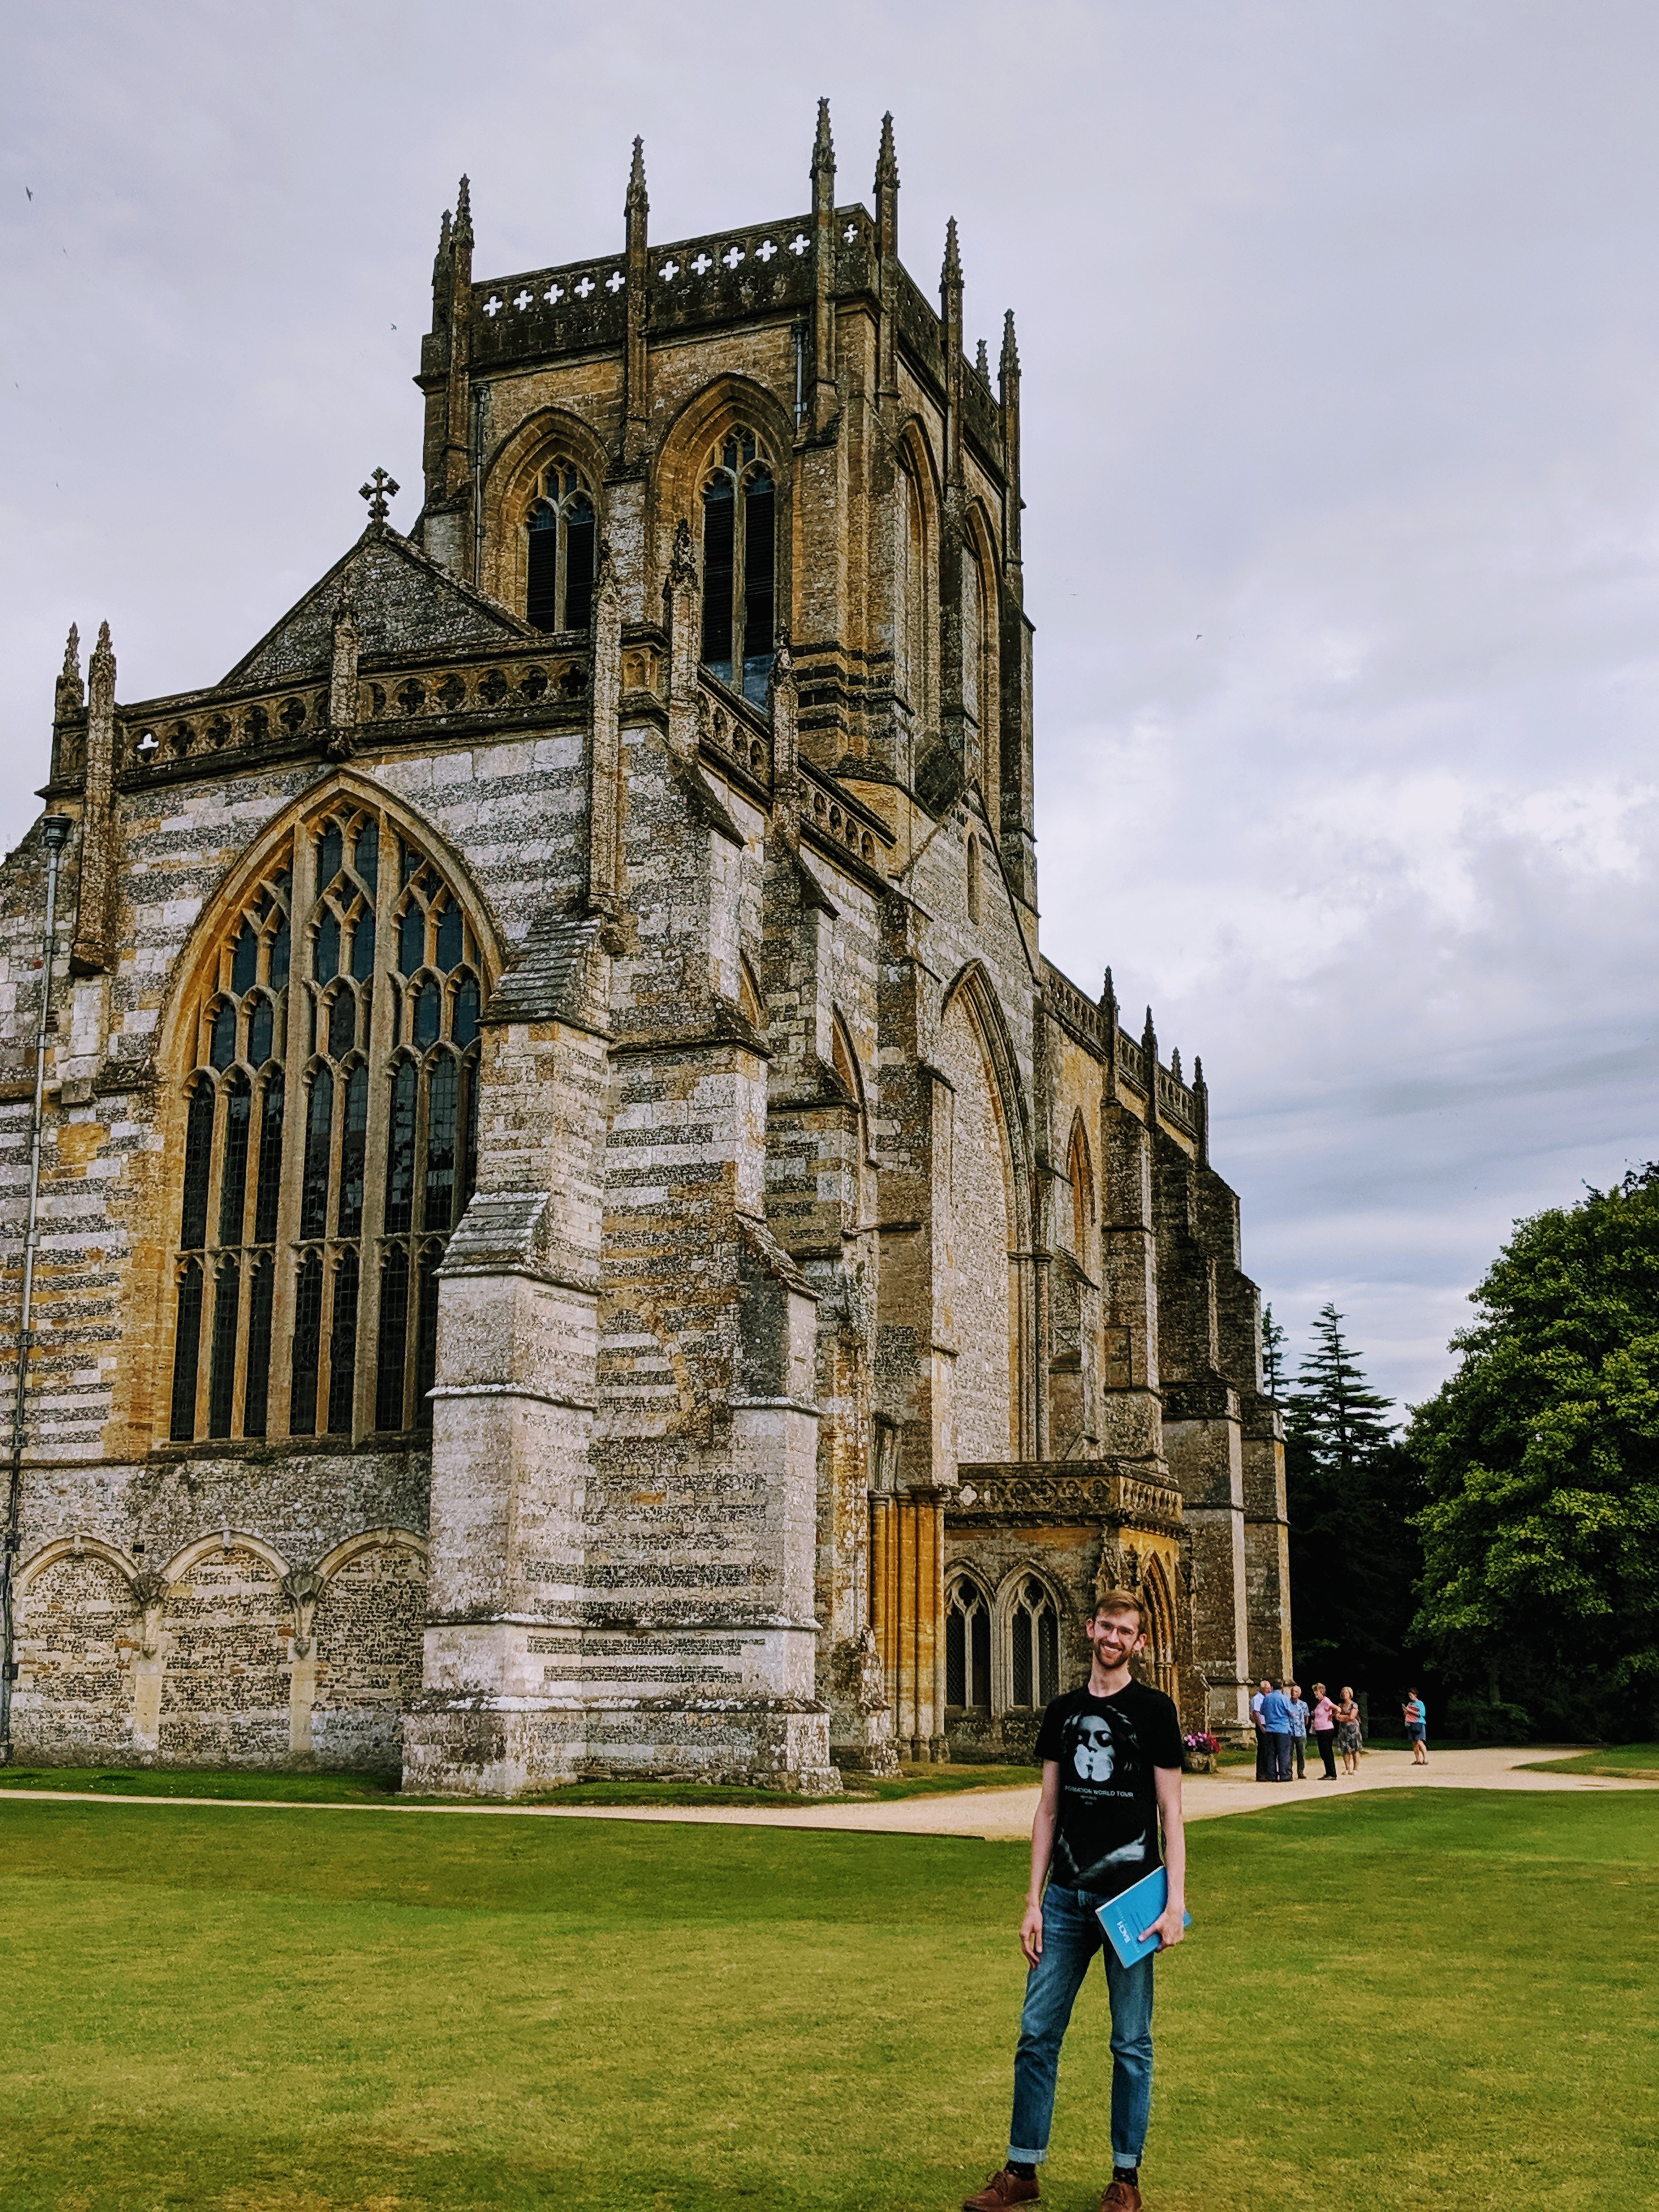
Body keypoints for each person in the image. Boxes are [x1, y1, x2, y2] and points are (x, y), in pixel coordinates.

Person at [964, 1590, 1186, 2212]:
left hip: (1133, 1900)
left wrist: (1174, 1903)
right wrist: (1032, 1901)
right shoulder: (1063, 1712)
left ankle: (1125, 2179)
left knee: (1131, 2043)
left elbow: (1171, 1812)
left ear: (1139, 1642)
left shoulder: (1156, 1710)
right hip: (1064, 1898)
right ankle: (1022, 2170)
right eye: (1106, 1626)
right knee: (1037, 2033)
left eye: (1125, 1631)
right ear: (1090, 1629)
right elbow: (1048, 1809)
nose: (1113, 1638)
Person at [1257, 1679, 1294, 1781]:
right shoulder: (1284, 1698)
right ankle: (1285, 1775)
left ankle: (1272, 1775)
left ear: (1272, 1687)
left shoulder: (1267, 1698)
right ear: (1282, 1687)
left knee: (1271, 1754)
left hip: (1270, 1729)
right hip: (1282, 1729)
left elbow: (1262, 1711)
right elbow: (1291, 1713)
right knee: (1284, 1754)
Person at [1308, 1683, 1338, 1779]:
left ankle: (1332, 1773)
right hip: (1320, 1730)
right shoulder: (1319, 1703)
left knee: (1327, 1751)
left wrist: (1331, 1716)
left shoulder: (1326, 1701)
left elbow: (1337, 1708)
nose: (1315, 1694)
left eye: (1316, 1691)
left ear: (1321, 1691)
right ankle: (1328, 1772)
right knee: (1323, 1752)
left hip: (1326, 1729)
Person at [1335, 1686, 1363, 1776]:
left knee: (1355, 1749)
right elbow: (1337, 1717)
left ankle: (1355, 1769)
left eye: (1346, 1693)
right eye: (1343, 1693)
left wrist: (1342, 1717)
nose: (1344, 1694)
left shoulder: (1354, 1705)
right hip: (1344, 1729)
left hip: (1353, 1729)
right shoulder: (1340, 1705)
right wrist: (1345, 1717)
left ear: (1350, 1694)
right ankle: (1347, 1769)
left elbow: (1352, 1716)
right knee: (1345, 1749)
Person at [1285, 1683, 1310, 1779]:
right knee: (1289, 1754)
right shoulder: (1287, 1703)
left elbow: (1307, 1717)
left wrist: (1303, 1725)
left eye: (1296, 1692)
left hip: (1301, 1732)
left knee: (1301, 1754)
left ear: (1299, 1694)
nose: (1293, 1693)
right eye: (1292, 1691)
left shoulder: (1303, 1704)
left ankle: (1301, 1772)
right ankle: (1289, 1773)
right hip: (1290, 1732)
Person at [1250, 1677, 1273, 1780]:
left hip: (1268, 1725)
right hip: (1262, 1725)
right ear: (1263, 1688)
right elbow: (1256, 1713)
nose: (1269, 1690)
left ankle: (1267, 1772)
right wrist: (1261, 1727)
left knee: (1268, 1749)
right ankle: (1261, 1774)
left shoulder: (1267, 1698)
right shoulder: (1257, 1699)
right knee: (1263, 1749)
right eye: (1267, 1688)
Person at [1403, 1688, 1429, 1765]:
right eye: (1409, 1696)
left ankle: (1426, 1759)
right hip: (1411, 1724)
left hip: (1419, 1724)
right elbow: (1407, 1714)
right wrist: (1406, 1711)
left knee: (1419, 1741)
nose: (1410, 1697)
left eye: (1411, 1695)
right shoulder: (1410, 1704)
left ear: (1415, 1695)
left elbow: (1422, 1714)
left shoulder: (1420, 1703)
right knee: (1414, 1743)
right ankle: (1418, 1760)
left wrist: (1410, 1711)